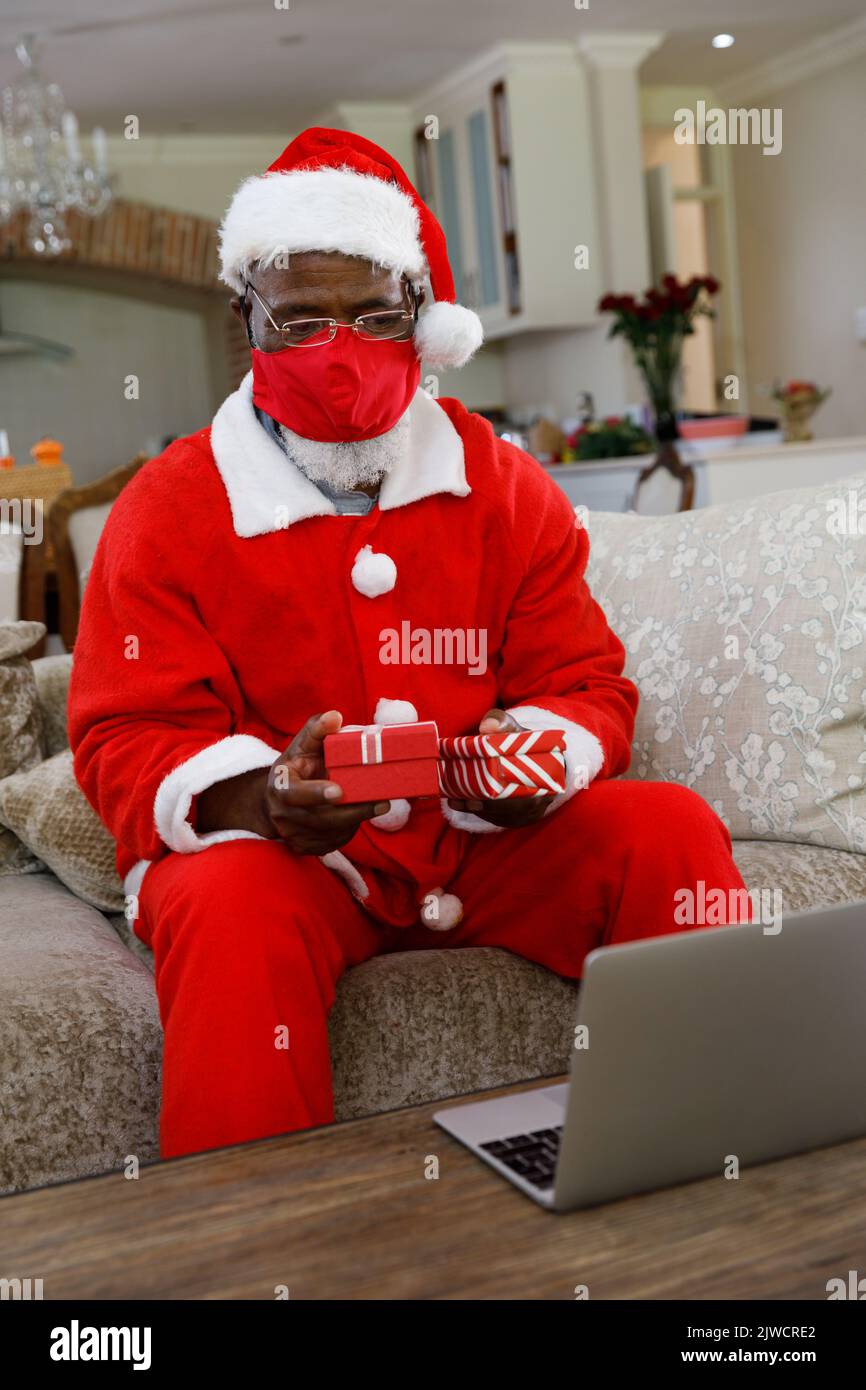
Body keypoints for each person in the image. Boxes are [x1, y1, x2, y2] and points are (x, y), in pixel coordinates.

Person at [69, 127, 749, 1160]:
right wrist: (256, 799)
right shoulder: (164, 509)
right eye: (299, 321)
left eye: (375, 317)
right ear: (241, 319)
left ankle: (706, 1158)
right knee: (220, 898)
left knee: (665, 829)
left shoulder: (503, 483)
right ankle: (250, 1250)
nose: (338, 352)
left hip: (478, 846)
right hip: (292, 865)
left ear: (422, 322)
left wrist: (538, 757)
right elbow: (126, 734)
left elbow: (583, 681)